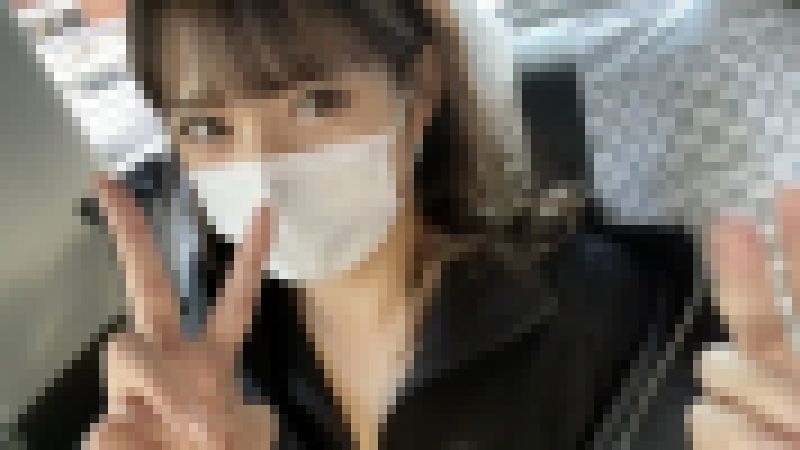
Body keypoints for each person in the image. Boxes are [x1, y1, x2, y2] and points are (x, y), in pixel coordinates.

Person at [10, 1, 799, 449]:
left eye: (317, 102)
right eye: (208, 126)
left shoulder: (603, 320)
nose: (263, 174)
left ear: (419, 95)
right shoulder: (198, 375)